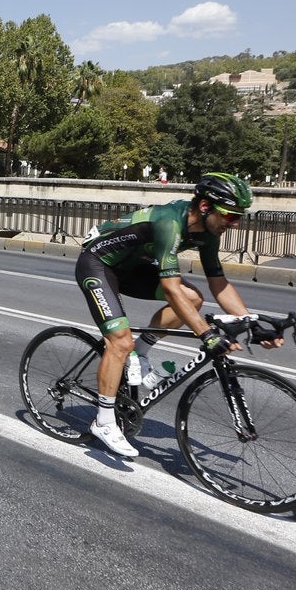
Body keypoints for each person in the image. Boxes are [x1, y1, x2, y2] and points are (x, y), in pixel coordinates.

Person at [74, 172, 281, 459]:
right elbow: (171, 289)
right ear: (206, 206)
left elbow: (218, 284)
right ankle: (104, 421)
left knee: (194, 297)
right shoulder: (170, 222)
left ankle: (142, 353)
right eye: (230, 216)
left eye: (239, 218)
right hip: (98, 265)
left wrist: (251, 322)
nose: (233, 224)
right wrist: (207, 335)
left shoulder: (207, 234)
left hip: (133, 270)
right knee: (120, 342)